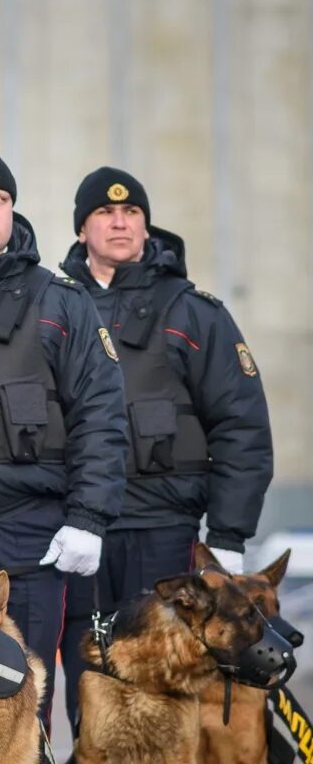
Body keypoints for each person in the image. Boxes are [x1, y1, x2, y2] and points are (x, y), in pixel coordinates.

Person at [57, 167, 273, 732]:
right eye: (104, 213)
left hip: (164, 528)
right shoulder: (55, 303)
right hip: (78, 528)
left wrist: (227, 536)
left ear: (147, 226)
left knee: (167, 671)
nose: (120, 222)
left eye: (132, 213)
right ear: (82, 228)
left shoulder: (194, 313)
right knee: (91, 669)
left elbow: (241, 427)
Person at [0, 141, 127, 727]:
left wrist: (89, 517)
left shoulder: (61, 300)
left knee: (22, 698)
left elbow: (100, 414)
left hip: (31, 532)